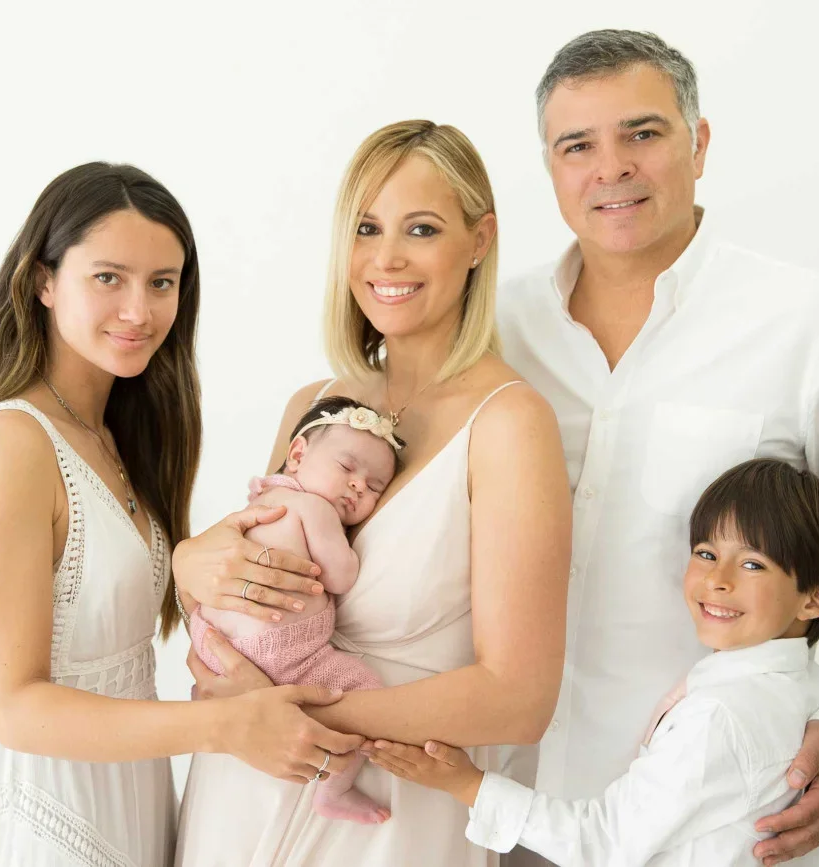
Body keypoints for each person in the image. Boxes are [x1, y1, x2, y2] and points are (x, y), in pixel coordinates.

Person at [494, 30, 819, 865]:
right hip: (507, 805)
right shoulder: (495, 327)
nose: (611, 168)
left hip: (719, 827)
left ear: (699, 143)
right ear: (551, 167)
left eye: (642, 133)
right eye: (577, 145)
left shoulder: (807, 322)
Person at [0, 162, 365, 866]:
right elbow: (13, 707)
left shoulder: (120, 435)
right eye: (108, 277)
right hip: (47, 812)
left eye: (162, 282)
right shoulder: (9, 439)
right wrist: (224, 725)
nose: (138, 311)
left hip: (136, 800)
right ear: (43, 280)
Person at [171, 120, 572, 865]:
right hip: (242, 789)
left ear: (479, 240)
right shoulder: (312, 405)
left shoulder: (510, 424)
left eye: (421, 229)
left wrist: (293, 715)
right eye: (366, 228)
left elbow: (520, 701)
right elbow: (242, 591)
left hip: (387, 816)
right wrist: (188, 562)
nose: (386, 258)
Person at [366, 458, 819, 865]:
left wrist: (467, 784)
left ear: (815, 598)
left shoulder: (719, 717)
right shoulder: (809, 688)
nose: (718, 580)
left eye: (752, 564)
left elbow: (605, 842)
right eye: (706, 553)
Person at [188, 396, 404, 824]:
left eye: (375, 486)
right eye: (347, 468)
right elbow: (341, 576)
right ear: (298, 455)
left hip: (210, 641)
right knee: (365, 689)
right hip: (279, 651)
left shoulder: (259, 501)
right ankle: (335, 791)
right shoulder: (314, 508)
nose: (358, 486)